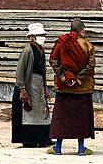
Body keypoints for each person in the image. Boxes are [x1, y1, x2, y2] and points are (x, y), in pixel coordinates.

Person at [47, 18, 96, 155]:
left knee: (62, 118)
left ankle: (58, 147)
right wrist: (79, 79)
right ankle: (81, 149)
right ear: (83, 31)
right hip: (82, 89)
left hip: (65, 88)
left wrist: (64, 77)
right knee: (81, 119)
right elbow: (91, 65)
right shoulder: (88, 46)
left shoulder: (62, 42)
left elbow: (53, 60)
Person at [11, 22, 52, 147]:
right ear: (33, 36)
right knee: (28, 113)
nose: (42, 37)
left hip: (39, 84)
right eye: (40, 35)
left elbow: (43, 70)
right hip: (29, 84)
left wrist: (45, 87)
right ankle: (29, 140)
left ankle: (42, 139)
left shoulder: (41, 50)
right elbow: (20, 71)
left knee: (41, 112)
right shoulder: (27, 50)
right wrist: (22, 89)